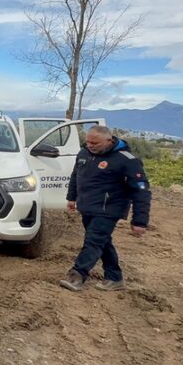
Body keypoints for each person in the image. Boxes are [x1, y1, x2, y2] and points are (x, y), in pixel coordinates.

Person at [59, 125, 151, 292]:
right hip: (87, 206)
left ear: (109, 141)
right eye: (87, 142)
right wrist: (71, 197)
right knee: (102, 241)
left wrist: (140, 221)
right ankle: (114, 277)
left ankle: (77, 276)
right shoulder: (84, 153)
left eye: (95, 143)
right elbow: (76, 176)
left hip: (109, 209)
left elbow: (141, 191)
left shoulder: (127, 160)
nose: (90, 145)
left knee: (93, 241)